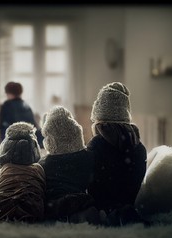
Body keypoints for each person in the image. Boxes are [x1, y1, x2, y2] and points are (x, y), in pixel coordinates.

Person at [87, 81, 147, 226]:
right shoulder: (139, 147)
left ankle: (113, 212)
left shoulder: (96, 145)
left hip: (103, 205)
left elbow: (90, 182)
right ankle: (123, 211)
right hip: (129, 201)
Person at [39, 106, 101, 224]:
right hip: (80, 200)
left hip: (54, 205)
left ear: (50, 140)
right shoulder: (87, 157)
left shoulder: (44, 163)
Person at [0, 121, 46, 223]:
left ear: (7, 147)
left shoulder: (5, 169)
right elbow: (42, 189)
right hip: (32, 209)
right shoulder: (38, 168)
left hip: (2, 209)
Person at [0, 81, 44, 147]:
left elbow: (3, 129)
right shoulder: (27, 106)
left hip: (13, 146)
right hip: (29, 144)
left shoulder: (6, 106)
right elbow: (34, 127)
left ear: (8, 93)